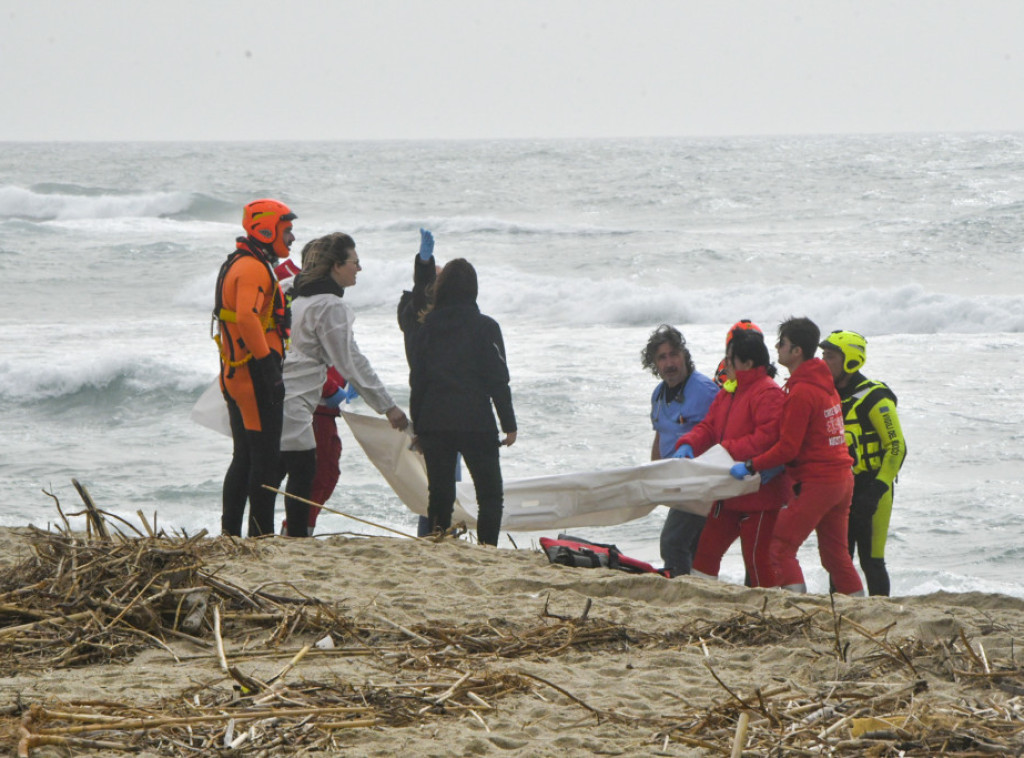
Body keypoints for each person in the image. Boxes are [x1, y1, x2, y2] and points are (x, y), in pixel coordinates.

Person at [278, 233, 409, 536]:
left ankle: (266, 537)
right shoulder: (329, 306)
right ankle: (296, 539)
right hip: (299, 401)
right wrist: (387, 407)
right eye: (354, 262)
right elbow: (351, 360)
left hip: (281, 395)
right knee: (308, 473)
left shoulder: (294, 294)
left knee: (273, 472)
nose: (359, 269)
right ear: (336, 266)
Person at [730, 317, 864, 595]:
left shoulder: (802, 391)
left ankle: (795, 608)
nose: (777, 347)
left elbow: (787, 448)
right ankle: (862, 610)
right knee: (835, 556)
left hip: (819, 482)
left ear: (796, 351)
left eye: (783, 343)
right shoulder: (824, 384)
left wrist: (751, 464)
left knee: (780, 547)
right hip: (842, 480)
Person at [410, 258, 516, 546]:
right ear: (474, 290)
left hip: (435, 421)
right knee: (490, 495)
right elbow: (498, 378)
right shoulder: (485, 327)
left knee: (440, 494)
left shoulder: (427, 328)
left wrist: (418, 426)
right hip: (475, 421)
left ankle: (438, 546)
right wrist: (509, 424)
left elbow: (417, 381)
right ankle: (487, 549)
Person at [672, 326, 788, 587]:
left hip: (760, 493)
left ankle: (768, 611)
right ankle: (704, 598)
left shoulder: (768, 393)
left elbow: (767, 439)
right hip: (727, 491)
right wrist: (688, 443)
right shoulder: (729, 392)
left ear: (746, 362)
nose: (726, 363)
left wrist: (725, 451)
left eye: (730, 358)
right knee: (706, 553)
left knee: (757, 559)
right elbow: (708, 427)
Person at [214, 198, 296, 537]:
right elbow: (247, 316)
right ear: (266, 229)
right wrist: (268, 368)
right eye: (287, 230)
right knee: (264, 460)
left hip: (237, 376)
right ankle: (259, 536)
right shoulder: (251, 268)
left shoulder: (243, 262)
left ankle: (231, 534)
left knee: (245, 457)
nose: (292, 238)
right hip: (253, 378)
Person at [819, 330, 907, 596]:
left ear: (851, 362)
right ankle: (840, 615)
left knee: (872, 561)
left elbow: (897, 447)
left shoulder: (875, 397)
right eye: (822, 355)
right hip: (840, 490)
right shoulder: (826, 395)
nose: (823, 362)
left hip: (873, 489)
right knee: (838, 561)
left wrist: (877, 489)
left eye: (830, 357)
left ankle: (881, 614)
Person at [275, 251, 357, 536]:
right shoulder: (297, 292)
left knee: (306, 471)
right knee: (318, 473)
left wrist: (346, 380)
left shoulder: (307, 293)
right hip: (312, 403)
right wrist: (332, 387)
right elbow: (296, 353)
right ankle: (297, 531)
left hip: (316, 402)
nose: (358, 268)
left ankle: (289, 529)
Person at [641, 325, 719, 576]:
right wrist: (654, 474)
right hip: (676, 482)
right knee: (692, 545)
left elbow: (723, 433)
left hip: (701, 482)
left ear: (684, 355)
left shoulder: (705, 391)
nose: (669, 363)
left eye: (674, 354)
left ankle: (679, 589)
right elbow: (660, 434)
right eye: (662, 357)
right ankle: (695, 588)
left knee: (673, 541)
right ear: (654, 363)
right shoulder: (659, 394)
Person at [397, 228, 440, 537]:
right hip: (431, 410)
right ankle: (429, 535)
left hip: (436, 408)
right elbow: (422, 294)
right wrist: (425, 265)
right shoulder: (416, 320)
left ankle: (432, 533)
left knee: (440, 480)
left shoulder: (439, 321)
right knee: (439, 483)